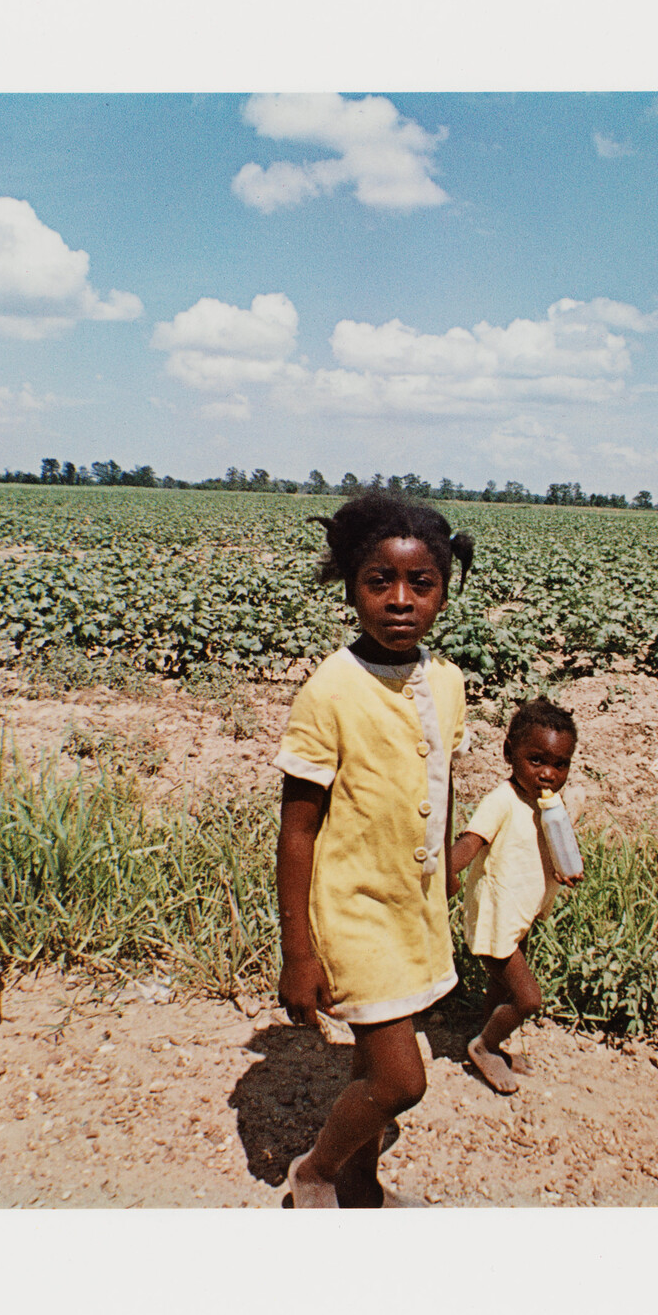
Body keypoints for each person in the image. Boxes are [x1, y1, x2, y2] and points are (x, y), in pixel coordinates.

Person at [275, 490, 476, 1207]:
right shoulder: (329, 691)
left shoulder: (446, 683)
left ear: (444, 593)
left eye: (420, 583)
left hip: (412, 905)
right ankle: (317, 1171)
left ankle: (362, 1182)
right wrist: (299, 951)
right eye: (378, 581)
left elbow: (445, 778)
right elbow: (296, 829)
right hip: (354, 911)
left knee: (372, 1061)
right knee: (401, 1080)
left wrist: (446, 864)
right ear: (351, 586)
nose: (399, 599)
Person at [447, 699, 582, 1094]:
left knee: (502, 989)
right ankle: (485, 1046)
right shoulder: (502, 801)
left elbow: (547, 848)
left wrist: (566, 868)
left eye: (560, 765)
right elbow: (470, 844)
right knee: (527, 999)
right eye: (536, 760)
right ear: (509, 753)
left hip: (520, 914)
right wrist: (439, 874)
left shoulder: (548, 806)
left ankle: (488, 1044)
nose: (547, 775)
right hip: (496, 918)